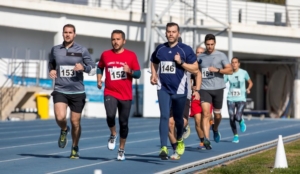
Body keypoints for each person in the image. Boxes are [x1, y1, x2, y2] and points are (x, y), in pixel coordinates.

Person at [150, 22, 200, 160]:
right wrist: (153, 74)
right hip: (163, 88)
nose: (171, 34)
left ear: (178, 34)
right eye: (169, 31)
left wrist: (181, 63)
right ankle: (163, 147)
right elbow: (153, 61)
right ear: (166, 33)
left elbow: (195, 69)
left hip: (180, 90)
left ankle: (179, 140)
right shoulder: (160, 49)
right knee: (165, 117)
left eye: (173, 32)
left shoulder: (185, 50)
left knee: (179, 120)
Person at [49, 24, 96, 159]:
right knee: (60, 117)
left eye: (70, 32)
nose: (67, 34)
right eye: (65, 32)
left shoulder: (82, 50)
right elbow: (51, 63)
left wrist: (84, 68)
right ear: (63, 34)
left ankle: (75, 147)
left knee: (75, 122)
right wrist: (51, 69)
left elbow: (93, 69)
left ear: (74, 34)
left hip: (77, 92)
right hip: (60, 89)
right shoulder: (55, 49)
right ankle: (64, 130)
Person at [97, 29, 141, 161]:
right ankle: (113, 134)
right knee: (110, 116)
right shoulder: (105, 55)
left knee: (124, 123)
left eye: (118, 39)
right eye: (113, 39)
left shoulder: (131, 55)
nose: (115, 42)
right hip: (110, 91)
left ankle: (121, 149)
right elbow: (100, 67)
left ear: (124, 41)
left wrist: (130, 71)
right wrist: (99, 79)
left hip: (125, 94)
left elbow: (138, 74)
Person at [197, 34, 233, 150]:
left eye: (212, 44)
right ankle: (206, 139)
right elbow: (196, 72)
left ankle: (215, 129)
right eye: (208, 44)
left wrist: (217, 70)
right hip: (204, 88)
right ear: (205, 44)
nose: (210, 47)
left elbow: (230, 70)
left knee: (217, 115)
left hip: (218, 89)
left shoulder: (221, 55)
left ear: (215, 44)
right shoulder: (200, 57)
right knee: (206, 114)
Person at [168, 37, 194, 160]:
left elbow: (197, 72)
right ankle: (176, 149)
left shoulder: (187, 56)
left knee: (182, 122)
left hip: (184, 94)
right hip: (168, 94)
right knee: (168, 124)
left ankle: (183, 129)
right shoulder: (164, 55)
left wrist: (197, 89)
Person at [224, 57, 253, 143]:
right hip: (230, 98)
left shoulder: (244, 73)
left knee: (237, 117)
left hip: (241, 98)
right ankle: (235, 136)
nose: (234, 64)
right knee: (231, 117)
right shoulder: (228, 73)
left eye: (235, 62)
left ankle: (241, 121)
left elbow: (250, 82)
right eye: (232, 62)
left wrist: (248, 88)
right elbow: (222, 82)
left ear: (239, 64)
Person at [190, 46, 213, 150]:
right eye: (197, 52)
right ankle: (203, 141)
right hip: (195, 96)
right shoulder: (192, 67)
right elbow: (188, 81)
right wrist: (193, 87)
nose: (198, 54)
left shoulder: (208, 66)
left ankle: (208, 138)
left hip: (206, 95)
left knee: (206, 117)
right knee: (197, 120)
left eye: (201, 52)